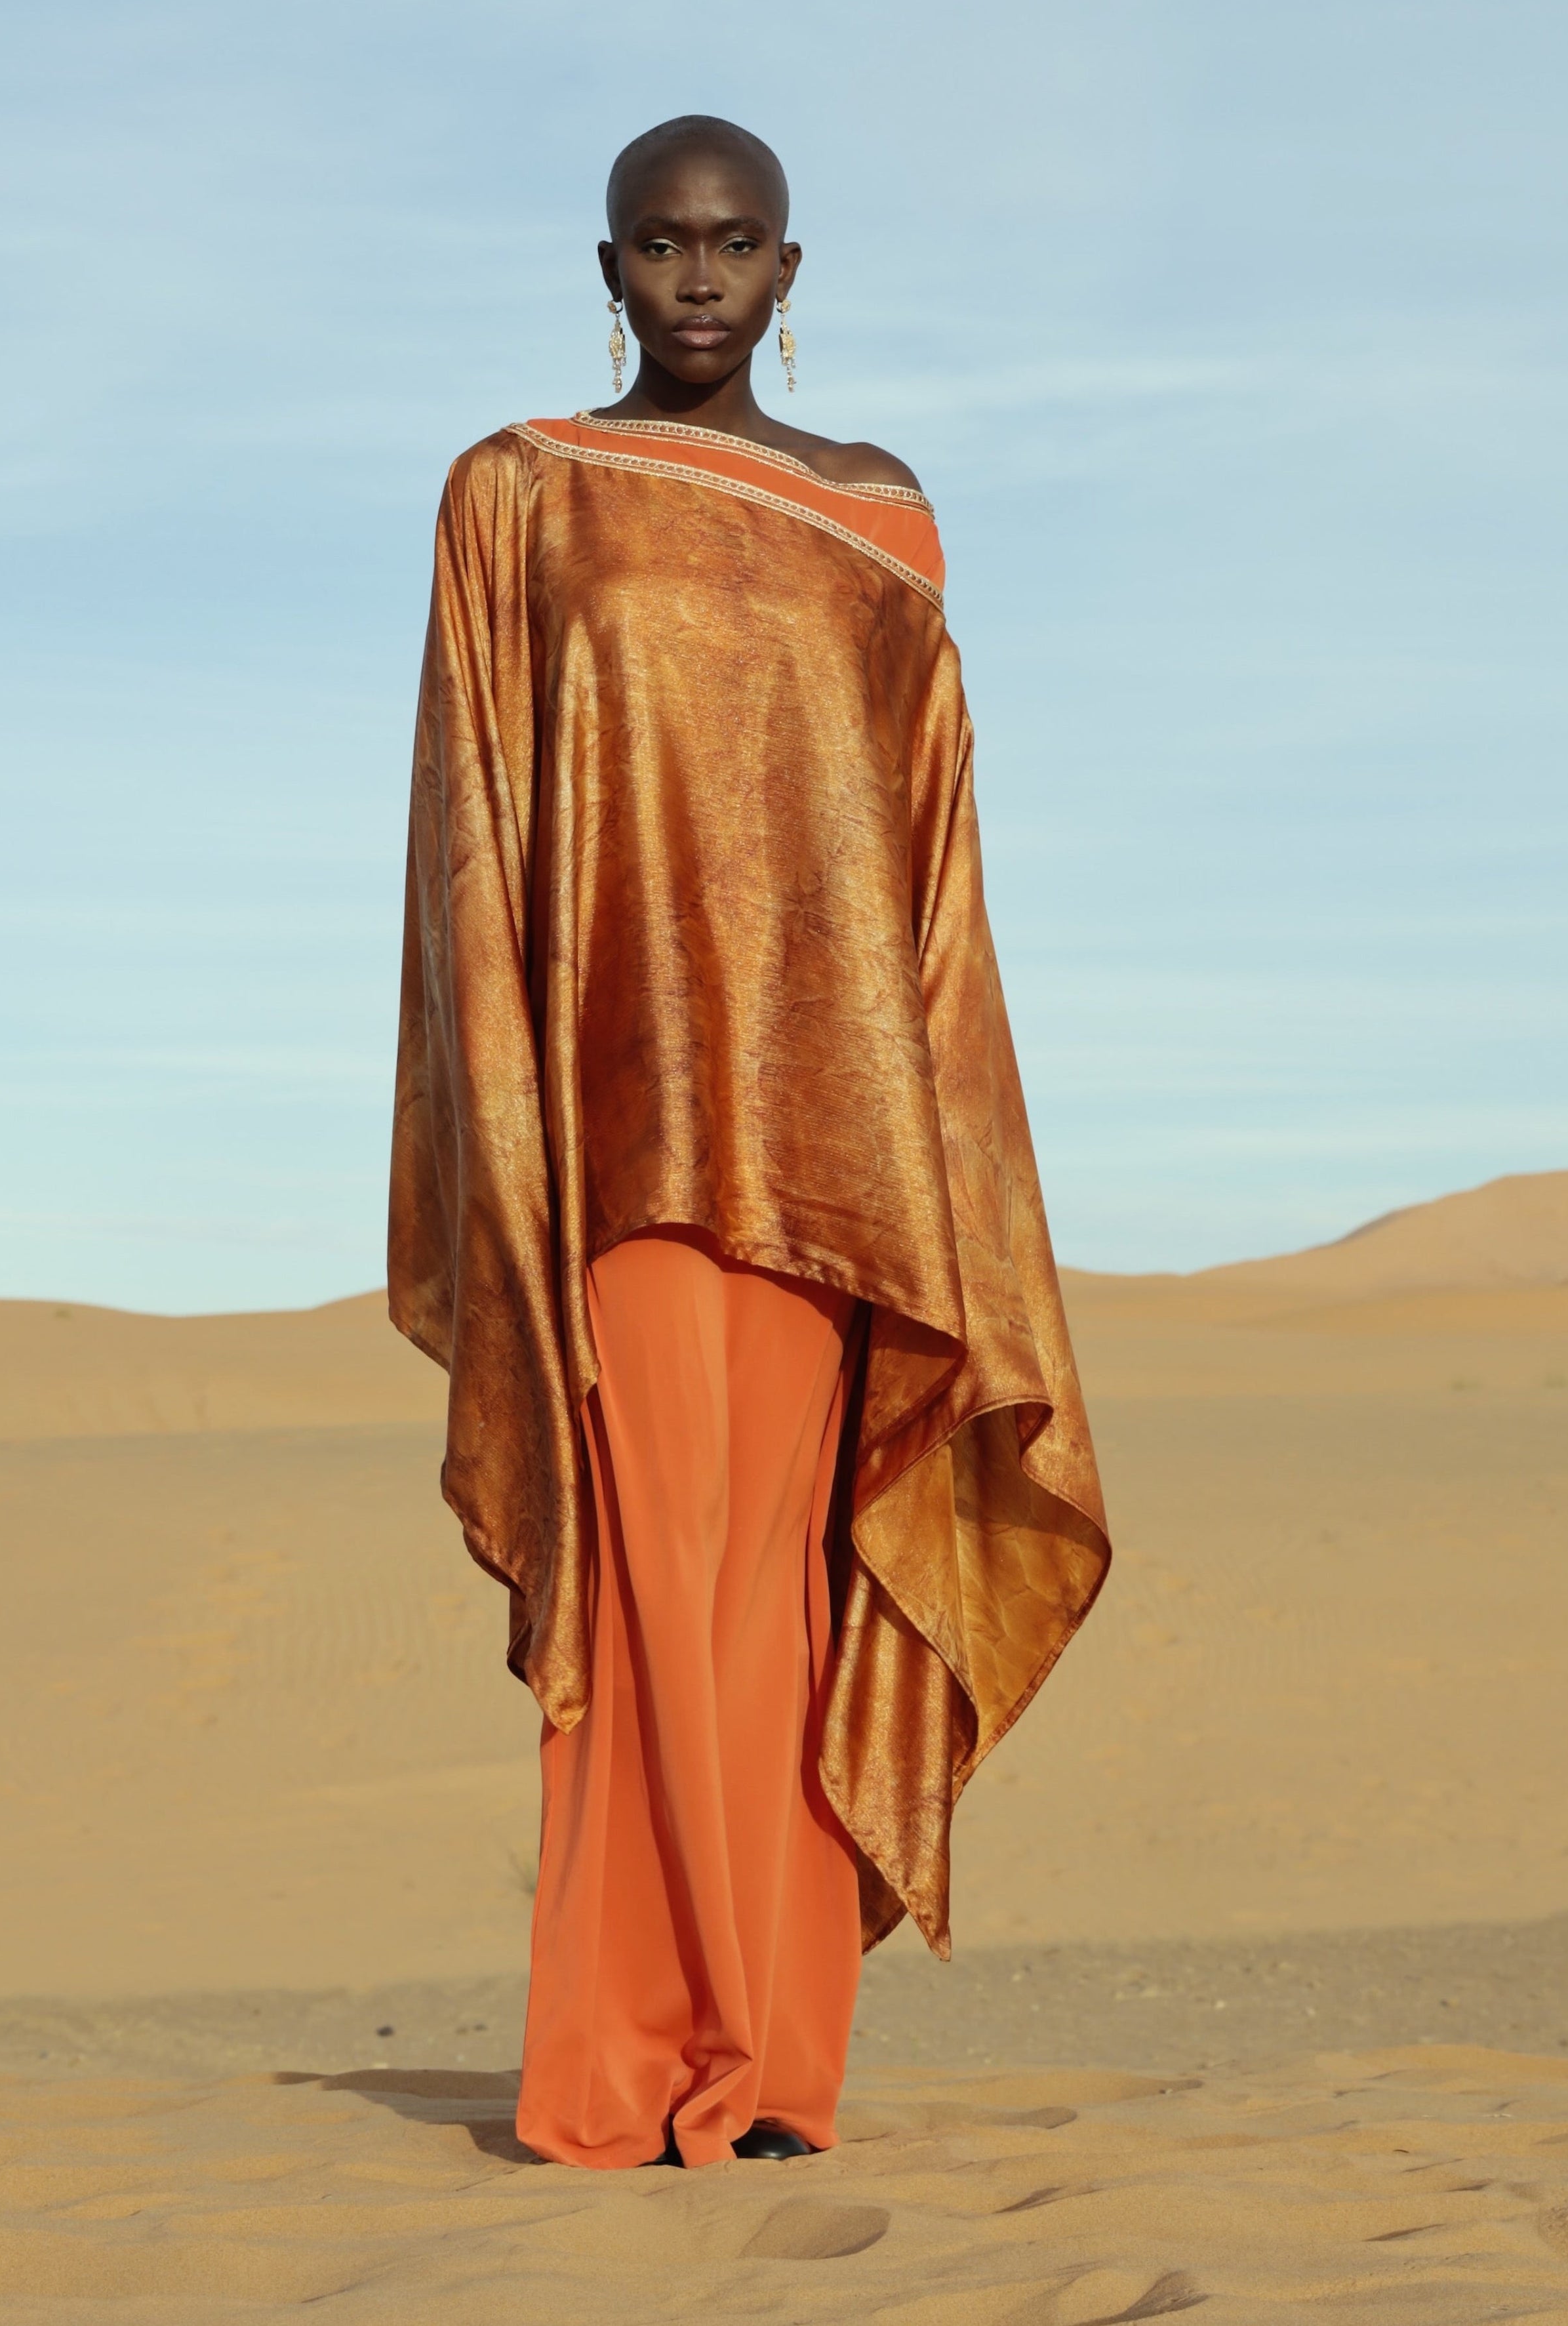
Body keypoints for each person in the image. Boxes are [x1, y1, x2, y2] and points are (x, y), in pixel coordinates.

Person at [389, 115, 1109, 2172]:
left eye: (737, 247)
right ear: (605, 267)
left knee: (782, 1598)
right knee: (651, 1582)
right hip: (618, 1133)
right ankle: (637, 2055)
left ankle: (774, 2065)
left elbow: (929, 866)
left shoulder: (887, 522)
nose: (698, 279)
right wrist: (511, 1129)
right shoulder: (517, 492)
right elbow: (477, 836)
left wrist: (950, 1170)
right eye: (659, 246)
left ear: (794, 272)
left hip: (837, 1157)